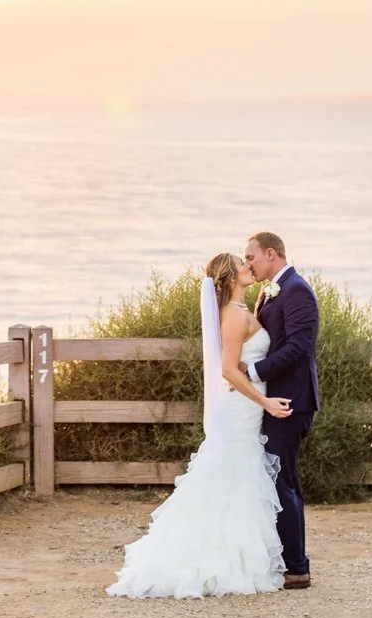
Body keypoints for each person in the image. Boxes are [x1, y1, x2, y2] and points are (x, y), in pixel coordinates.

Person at [105, 251, 291, 597]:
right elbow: (228, 370)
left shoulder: (241, 311)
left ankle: (237, 556)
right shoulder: (234, 316)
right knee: (234, 471)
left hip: (245, 409)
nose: (248, 267)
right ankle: (217, 560)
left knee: (239, 474)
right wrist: (265, 400)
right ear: (230, 277)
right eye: (242, 264)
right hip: (241, 408)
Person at [244, 231, 321, 590]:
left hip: (291, 400)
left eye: (252, 257)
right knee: (279, 479)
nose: (248, 264)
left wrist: (254, 372)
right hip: (273, 400)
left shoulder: (296, 289)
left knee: (281, 480)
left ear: (270, 253)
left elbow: (299, 348)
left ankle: (297, 568)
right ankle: (288, 562)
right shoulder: (271, 289)